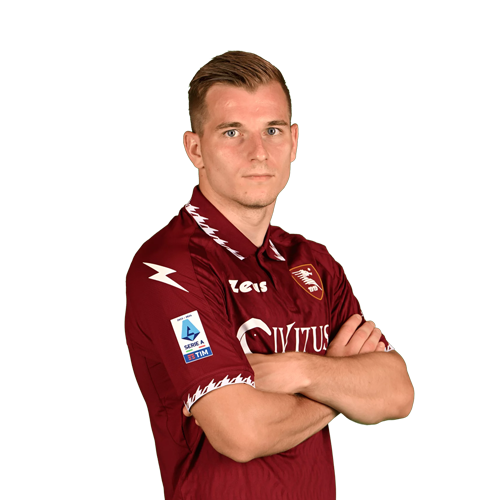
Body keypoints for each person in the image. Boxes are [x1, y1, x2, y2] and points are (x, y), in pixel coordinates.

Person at [125, 51, 414, 500]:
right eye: (232, 132)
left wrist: (298, 369)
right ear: (195, 149)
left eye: (273, 130)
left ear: (294, 142)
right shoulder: (168, 267)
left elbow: (396, 392)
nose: (258, 152)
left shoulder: (313, 262)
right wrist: (338, 381)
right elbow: (241, 433)